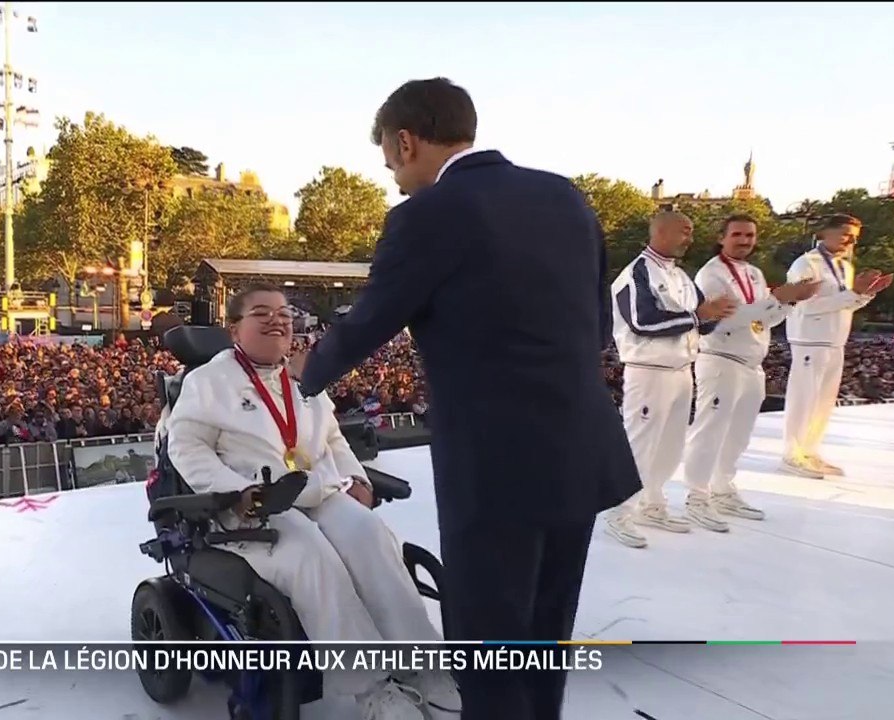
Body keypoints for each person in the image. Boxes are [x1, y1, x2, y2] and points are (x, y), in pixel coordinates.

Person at [288, 78, 642, 720]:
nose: (395, 178)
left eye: (392, 162)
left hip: (497, 464)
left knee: (487, 640)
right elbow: (596, 325)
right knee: (544, 632)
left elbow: (369, 321)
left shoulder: (427, 214)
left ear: (407, 140)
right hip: (582, 449)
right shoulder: (565, 197)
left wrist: (300, 374)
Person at [165, 283, 459, 720]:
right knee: (311, 555)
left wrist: (357, 478)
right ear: (234, 330)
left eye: (284, 313)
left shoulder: (304, 380)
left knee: (370, 535)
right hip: (254, 506)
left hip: (318, 492)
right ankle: (372, 689)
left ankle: (424, 667)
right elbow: (187, 448)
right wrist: (237, 493)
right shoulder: (206, 382)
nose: (276, 320)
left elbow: (333, 440)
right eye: (261, 313)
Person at [607, 211, 737, 548]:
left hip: (682, 369)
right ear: (662, 231)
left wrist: (713, 316)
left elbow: (699, 320)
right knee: (640, 443)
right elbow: (642, 322)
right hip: (649, 371)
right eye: (685, 231)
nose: (690, 238)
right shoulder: (636, 272)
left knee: (671, 444)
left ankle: (652, 503)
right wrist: (698, 316)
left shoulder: (680, 276)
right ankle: (618, 513)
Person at [681, 215, 818, 531]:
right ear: (721, 237)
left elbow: (763, 320)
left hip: (752, 362)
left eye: (750, 235)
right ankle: (696, 497)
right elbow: (723, 321)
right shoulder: (711, 275)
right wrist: (776, 299)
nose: (744, 240)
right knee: (710, 431)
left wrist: (788, 302)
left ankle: (723, 488)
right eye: (738, 234)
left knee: (739, 434)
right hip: (720, 359)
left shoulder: (755, 273)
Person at [781, 214, 892, 477]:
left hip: (835, 339)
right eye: (845, 233)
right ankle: (791, 453)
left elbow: (844, 303)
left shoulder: (845, 266)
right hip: (809, 338)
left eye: (854, 236)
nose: (850, 240)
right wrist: (853, 294)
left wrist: (866, 293)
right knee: (804, 397)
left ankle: (810, 450)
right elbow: (805, 305)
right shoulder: (806, 264)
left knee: (823, 401)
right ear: (824, 232)